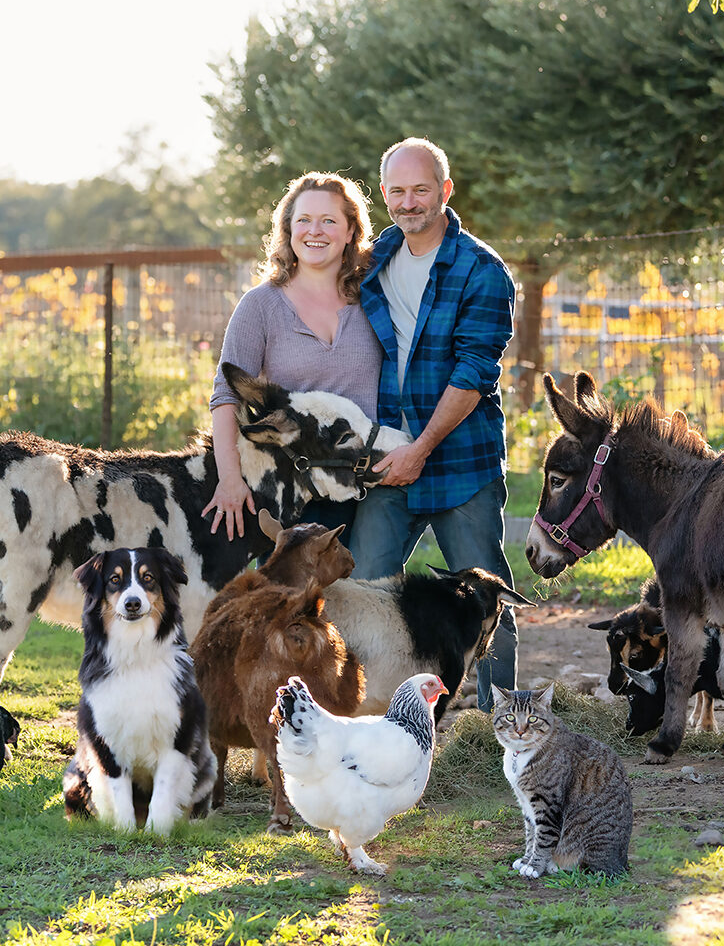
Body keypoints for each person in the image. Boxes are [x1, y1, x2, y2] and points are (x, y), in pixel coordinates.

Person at [347, 137, 518, 711]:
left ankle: (502, 721)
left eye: (421, 189)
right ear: (384, 195)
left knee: (485, 591)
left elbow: (473, 373)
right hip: (388, 462)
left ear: (445, 191)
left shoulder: (482, 271)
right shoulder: (372, 261)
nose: (408, 201)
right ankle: (367, 716)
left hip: (459, 463)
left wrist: (419, 448)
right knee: (365, 585)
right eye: (396, 191)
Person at [203, 172, 382, 544]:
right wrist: (230, 479)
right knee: (293, 600)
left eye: (329, 220)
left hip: (368, 488)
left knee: (365, 597)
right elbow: (226, 395)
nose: (314, 230)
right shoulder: (261, 305)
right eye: (303, 220)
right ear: (288, 229)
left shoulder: (375, 301)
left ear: (351, 231)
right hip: (290, 491)